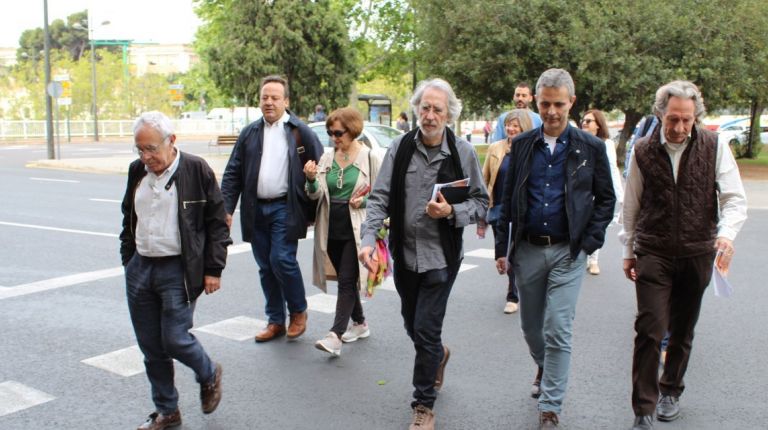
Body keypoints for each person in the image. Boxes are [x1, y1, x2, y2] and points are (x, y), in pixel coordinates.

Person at [358, 78, 488, 430]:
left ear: (449, 115)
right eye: (425, 108)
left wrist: (450, 214)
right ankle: (437, 357)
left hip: (442, 258)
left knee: (426, 331)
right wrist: (368, 239)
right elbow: (379, 198)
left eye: (437, 110)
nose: (430, 116)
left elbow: (482, 203)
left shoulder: (463, 153)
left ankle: (423, 405)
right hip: (405, 254)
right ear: (417, 108)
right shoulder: (399, 149)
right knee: (413, 325)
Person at [620, 80, 747, 430]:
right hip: (653, 251)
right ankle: (643, 408)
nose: (678, 128)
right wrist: (628, 249)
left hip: (697, 252)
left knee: (682, 328)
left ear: (696, 118)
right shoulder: (644, 150)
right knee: (649, 328)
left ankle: (671, 389)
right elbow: (630, 206)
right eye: (672, 119)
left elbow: (735, 199)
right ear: (660, 114)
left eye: (686, 120)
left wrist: (726, 235)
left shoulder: (715, 146)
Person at [495, 69, 615, 429]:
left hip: (568, 251)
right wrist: (503, 247)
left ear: (571, 103)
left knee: (558, 327)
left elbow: (605, 200)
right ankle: (546, 366)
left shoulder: (589, 148)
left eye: (558, 104)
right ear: (536, 101)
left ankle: (550, 406)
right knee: (533, 329)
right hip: (528, 250)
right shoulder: (523, 144)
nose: (551, 112)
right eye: (545, 104)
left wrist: (590, 242)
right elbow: (505, 198)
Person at [120, 111, 231, 430]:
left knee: (175, 339)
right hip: (141, 267)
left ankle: (208, 372)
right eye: (139, 149)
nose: (146, 156)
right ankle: (167, 411)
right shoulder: (136, 171)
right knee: (151, 347)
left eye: (151, 148)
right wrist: (128, 259)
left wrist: (213, 268)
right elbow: (129, 214)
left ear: (172, 141)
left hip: (178, 268)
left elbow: (217, 222)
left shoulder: (195, 169)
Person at [221, 75, 323, 343]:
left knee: (282, 259)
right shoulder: (250, 133)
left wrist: (315, 206)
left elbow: (321, 167)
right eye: (265, 97)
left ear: (286, 101)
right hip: (255, 209)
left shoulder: (301, 132)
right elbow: (233, 172)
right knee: (265, 266)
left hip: (285, 207)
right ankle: (275, 320)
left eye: (275, 97)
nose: (269, 102)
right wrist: (226, 209)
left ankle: (298, 310)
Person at [303, 107, 382, 357]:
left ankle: (334, 336)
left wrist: (366, 201)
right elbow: (315, 195)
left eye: (338, 133)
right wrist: (311, 179)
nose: (334, 138)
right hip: (330, 227)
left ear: (353, 130)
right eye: (330, 133)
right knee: (345, 280)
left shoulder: (370, 158)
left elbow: (383, 196)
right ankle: (360, 324)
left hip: (357, 229)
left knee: (348, 280)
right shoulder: (327, 158)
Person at [483, 109, 533, 314]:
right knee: (503, 251)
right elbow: (485, 178)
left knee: (516, 254)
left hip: (522, 211)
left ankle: (513, 295)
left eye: (516, 125)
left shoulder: (530, 150)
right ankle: (514, 287)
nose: (511, 129)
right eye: (508, 125)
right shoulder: (496, 148)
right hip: (499, 210)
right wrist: (483, 208)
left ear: (524, 128)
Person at [580, 109, 624, 275]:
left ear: (598, 125)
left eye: (589, 121)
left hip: (599, 190)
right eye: (584, 120)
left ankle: (593, 260)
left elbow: (612, 169)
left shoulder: (606, 144)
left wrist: (620, 195)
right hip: (583, 190)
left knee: (596, 223)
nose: (585, 123)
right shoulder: (578, 141)